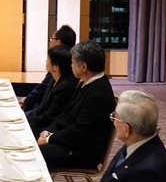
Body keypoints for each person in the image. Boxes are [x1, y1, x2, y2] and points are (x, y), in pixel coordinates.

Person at [37, 40, 116, 170]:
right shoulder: (86, 83)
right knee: (31, 142)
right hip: (74, 143)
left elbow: (79, 132)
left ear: (83, 67)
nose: (71, 65)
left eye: (72, 62)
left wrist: (49, 139)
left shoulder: (98, 94)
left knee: (33, 153)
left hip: (83, 152)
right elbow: (66, 115)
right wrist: (48, 131)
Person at [22, 24, 76, 113]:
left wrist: (27, 103)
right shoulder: (68, 61)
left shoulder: (62, 67)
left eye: (51, 39)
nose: (50, 42)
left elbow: (42, 91)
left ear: (59, 42)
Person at [26, 44, 78, 137]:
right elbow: (43, 106)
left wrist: (28, 119)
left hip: (48, 128)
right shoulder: (53, 79)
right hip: (40, 119)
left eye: (48, 59)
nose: (46, 61)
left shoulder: (65, 87)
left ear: (56, 67)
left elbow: (50, 116)